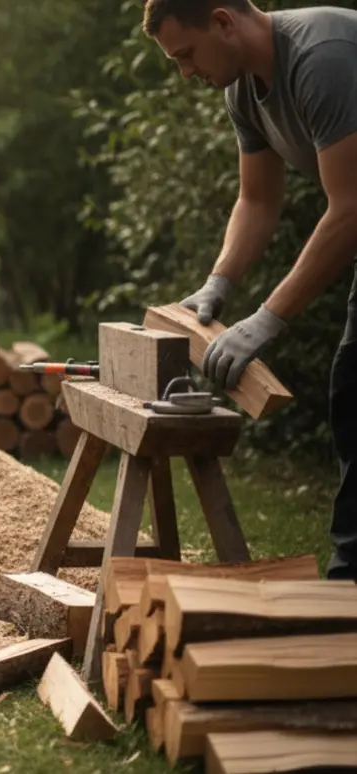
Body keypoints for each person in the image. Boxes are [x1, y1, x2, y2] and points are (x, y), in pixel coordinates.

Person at [142, 0, 357, 580]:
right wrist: (219, 283)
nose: (186, 73)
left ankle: (349, 579)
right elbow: (257, 200)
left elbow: (351, 208)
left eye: (186, 54)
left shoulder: (322, 58)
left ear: (222, 21)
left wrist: (267, 319)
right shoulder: (243, 91)